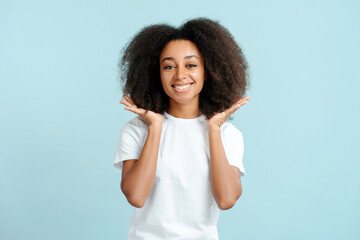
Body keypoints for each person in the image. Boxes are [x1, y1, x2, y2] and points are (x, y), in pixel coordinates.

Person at [113, 17, 250, 240]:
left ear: (210, 70)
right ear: (156, 73)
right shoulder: (136, 130)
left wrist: (213, 129)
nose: (179, 75)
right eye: (168, 66)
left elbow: (226, 200)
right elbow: (136, 197)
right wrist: (156, 127)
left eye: (191, 65)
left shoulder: (227, 134)